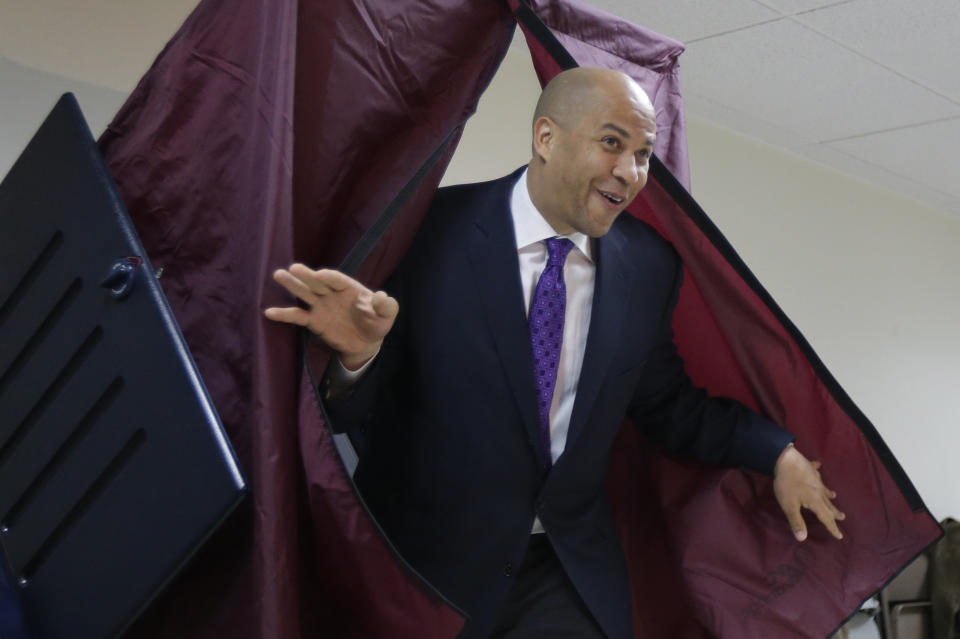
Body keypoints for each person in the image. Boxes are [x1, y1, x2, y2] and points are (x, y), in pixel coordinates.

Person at [264, 67, 845, 639]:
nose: (630, 171)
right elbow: (345, 418)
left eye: (644, 153)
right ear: (546, 137)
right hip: (422, 569)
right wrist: (358, 357)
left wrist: (777, 452)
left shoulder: (650, 266)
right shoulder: (429, 227)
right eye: (612, 143)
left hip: (564, 568)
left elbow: (665, 404)